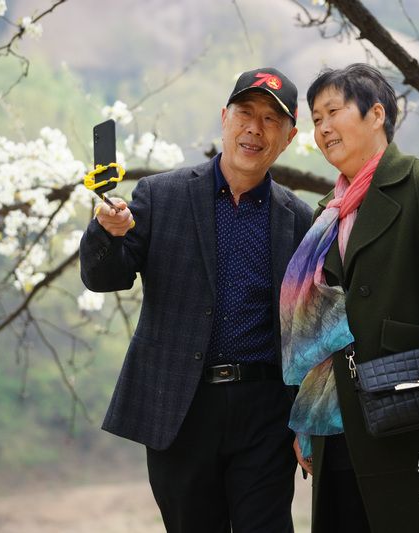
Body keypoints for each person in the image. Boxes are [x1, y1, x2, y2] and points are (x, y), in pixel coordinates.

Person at [80, 67, 313, 533]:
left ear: (288, 138)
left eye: (271, 120)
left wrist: (306, 418)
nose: (255, 129)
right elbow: (105, 277)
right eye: (245, 113)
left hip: (266, 409)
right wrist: (106, 231)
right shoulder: (161, 195)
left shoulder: (299, 218)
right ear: (225, 118)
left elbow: (306, 327)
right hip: (181, 406)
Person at [280, 64, 419, 532]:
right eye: (316, 119)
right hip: (343, 423)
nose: (323, 128)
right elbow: (317, 327)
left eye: (333, 112)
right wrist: (308, 418)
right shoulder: (326, 214)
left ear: (376, 114)